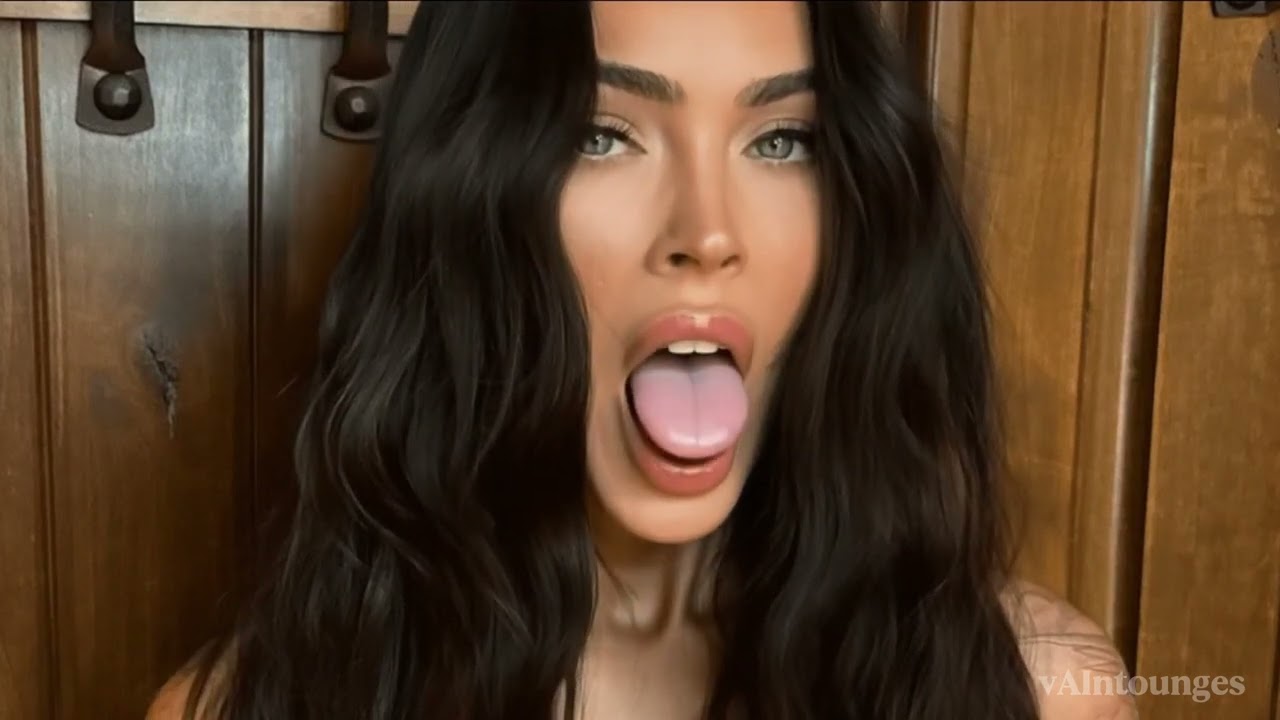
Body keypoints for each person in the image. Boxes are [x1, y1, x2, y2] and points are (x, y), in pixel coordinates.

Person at [149, 2, 1135, 718]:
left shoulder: (1045, 693)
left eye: (783, 141)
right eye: (602, 134)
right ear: (466, 204)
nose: (706, 233)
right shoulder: (243, 707)